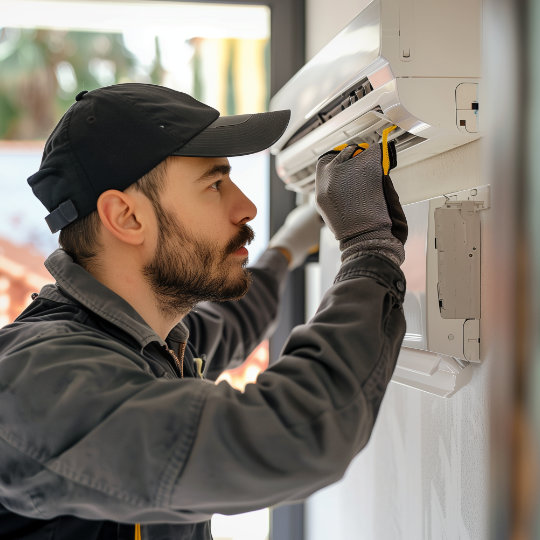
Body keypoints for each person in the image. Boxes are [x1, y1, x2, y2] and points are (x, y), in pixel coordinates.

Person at [0, 83, 407, 540]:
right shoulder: (43, 380)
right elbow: (288, 438)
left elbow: (231, 323)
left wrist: (288, 248)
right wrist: (369, 251)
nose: (247, 207)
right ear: (126, 217)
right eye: (214, 184)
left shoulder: (147, 339)